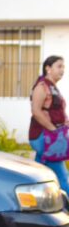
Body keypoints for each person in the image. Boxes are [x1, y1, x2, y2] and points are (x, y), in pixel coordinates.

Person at [28, 55, 68, 193]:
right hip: (44, 136)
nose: (62, 70)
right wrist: (54, 130)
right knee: (62, 176)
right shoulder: (42, 86)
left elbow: (55, 110)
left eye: (63, 66)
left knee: (39, 173)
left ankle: (34, 199)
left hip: (51, 137)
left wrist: (64, 122)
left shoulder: (53, 87)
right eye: (59, 66)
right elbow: (36, 111)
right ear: (48, 68)